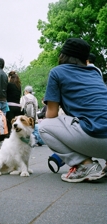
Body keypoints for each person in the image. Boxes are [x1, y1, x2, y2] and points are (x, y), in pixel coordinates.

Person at [39, 38, 107, 183]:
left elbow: (51, 114)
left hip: (97, 138)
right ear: (85, 58)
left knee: (44, 126)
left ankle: (85, 165)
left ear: (62, 55)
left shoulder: (57, 72)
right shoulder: (95, 72)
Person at [6, 71, 22, 135]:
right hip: (18, 107)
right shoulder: (19, 86)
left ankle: (11, 138)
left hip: (10, 107)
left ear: (10, 77)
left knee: (10, 125)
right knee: (17, 124)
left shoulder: (8, 85)